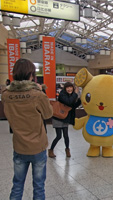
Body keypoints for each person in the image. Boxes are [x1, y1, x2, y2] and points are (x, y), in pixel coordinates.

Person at [2, 58, 53, 200]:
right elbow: (48, 114)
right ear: (31, 74)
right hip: (37, 146)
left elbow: (8, 115)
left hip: (19, 146)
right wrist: (41, 90)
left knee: (17, 184)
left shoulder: (6, 95)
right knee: (39, 186)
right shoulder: (37, 94)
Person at [48, 82, 81, 158]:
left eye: (71, 87)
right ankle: (51, 150)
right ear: (65, 89)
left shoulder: (72, 96)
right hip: (58, 117)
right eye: (67, 88)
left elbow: (72, 106)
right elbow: (68, 102)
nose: (69, 89)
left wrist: (79, 100)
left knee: (66, 135)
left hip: (65, 117)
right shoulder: (62, 95)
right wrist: (75, 94)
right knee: (59, 136)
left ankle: (67, 150)